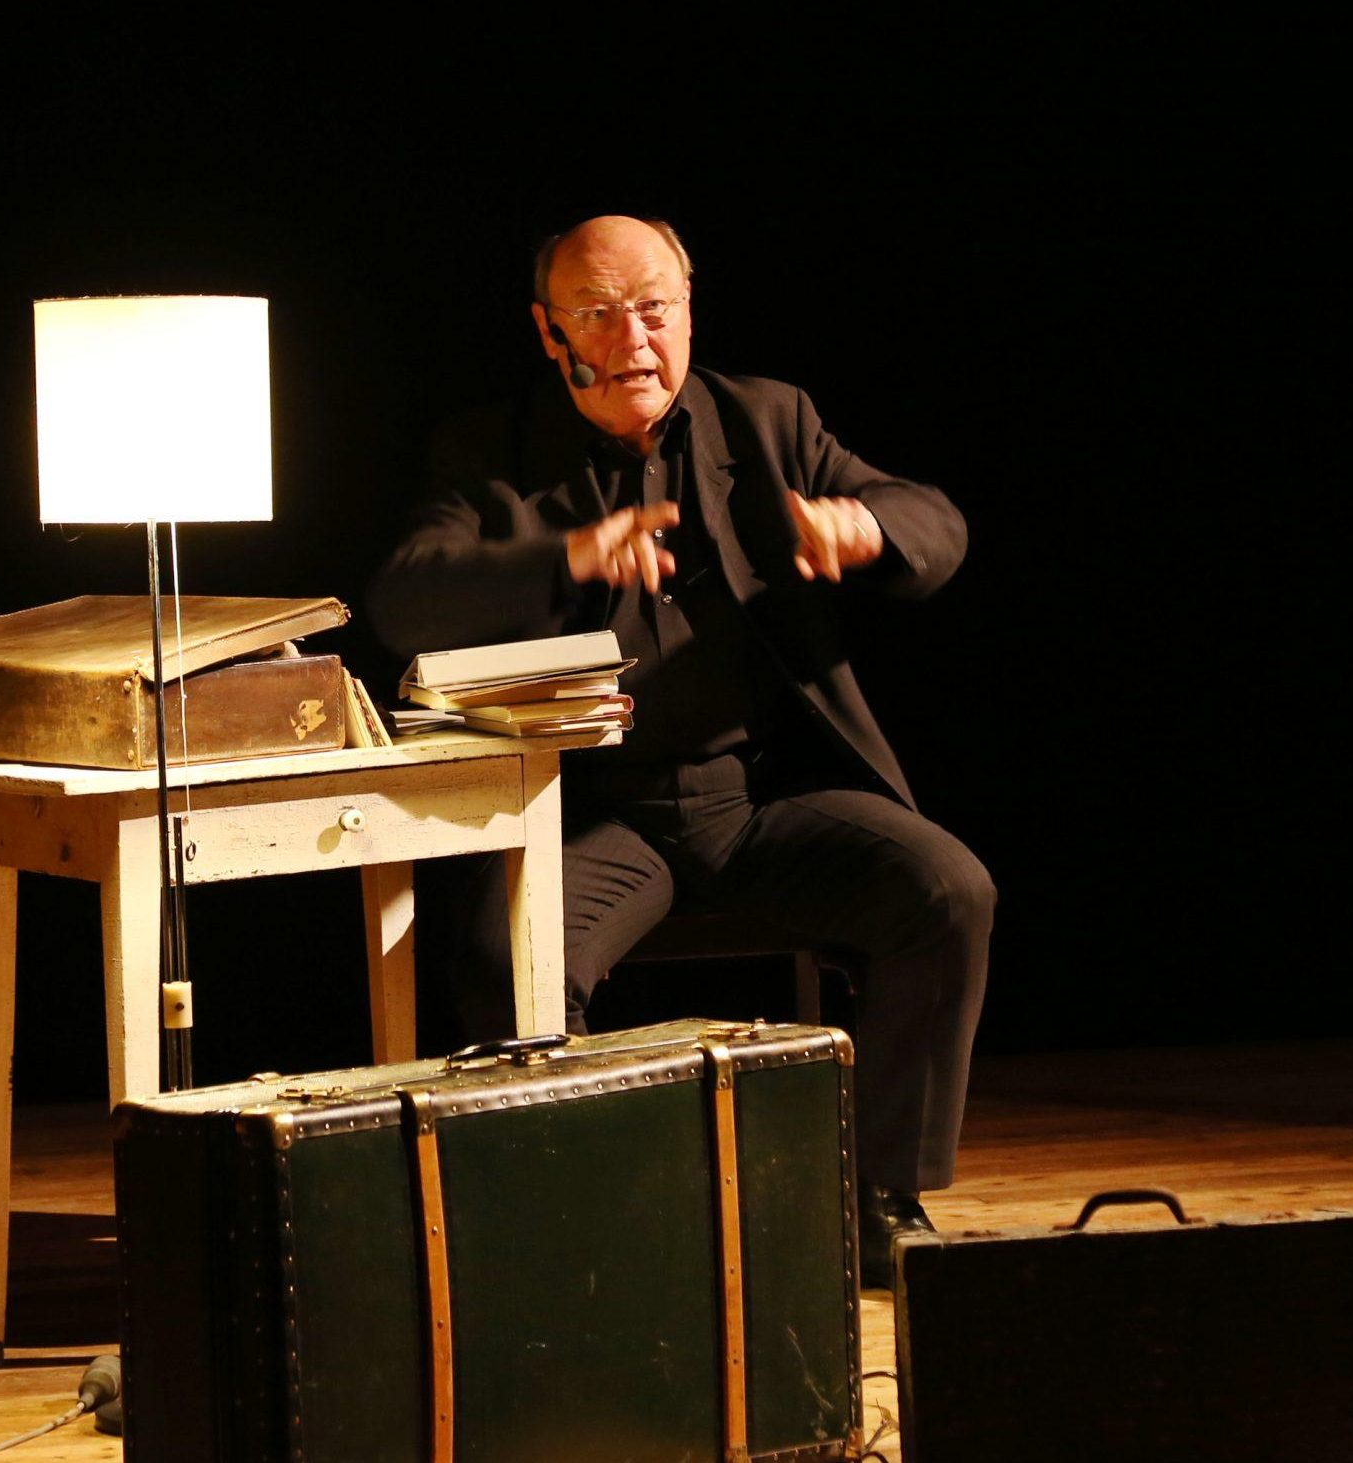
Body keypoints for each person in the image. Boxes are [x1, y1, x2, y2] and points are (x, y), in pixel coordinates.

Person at [366, 215, 993, 1286]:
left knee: (945, 891)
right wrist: (564, 554)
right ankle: (576, 1233)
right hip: (593, 813)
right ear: (550, 332)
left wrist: (869, 529)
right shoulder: (489, 452)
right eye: (600, 314)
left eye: (655, 308)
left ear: (689, 309)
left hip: (756, 803)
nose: (634, 338)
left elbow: (932, 517)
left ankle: (882, 1197)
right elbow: (403, 598)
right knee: (508, 960)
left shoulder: (766, 418)